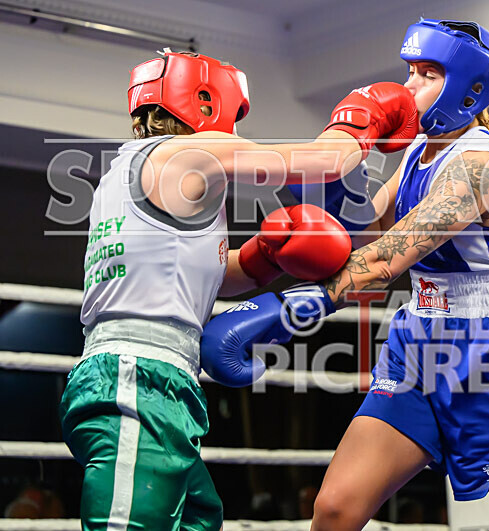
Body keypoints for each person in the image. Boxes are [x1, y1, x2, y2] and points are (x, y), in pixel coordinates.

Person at [201, 19, 489, 530]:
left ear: (469, 89)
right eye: (410, 71)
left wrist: (289, 309)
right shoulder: (420, 151)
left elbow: (388, 259)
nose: (410, 85)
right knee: (335, 508)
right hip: (418, 340)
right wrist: (337, 176)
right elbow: (368, 233)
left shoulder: (481, 165)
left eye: (428, 74)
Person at [58, 49, 417, 529]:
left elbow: (192, 271)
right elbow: (320, 163)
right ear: (207, 101)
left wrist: (263, 258)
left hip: (149, 375)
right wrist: (361, 115)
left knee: (197, 518)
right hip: (136, 378)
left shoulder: (125, 175)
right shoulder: (190, 152)